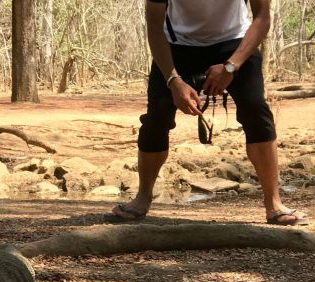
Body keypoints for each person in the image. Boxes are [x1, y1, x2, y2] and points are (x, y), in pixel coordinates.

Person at [111, 0, 309, 226]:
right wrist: (173, 81)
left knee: (256, 110)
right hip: (177, 45)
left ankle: (274, 203)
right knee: (157, 117)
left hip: (235, 42)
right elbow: (154, 27)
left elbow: (262, 17)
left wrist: (231, 66)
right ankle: (142, 198)